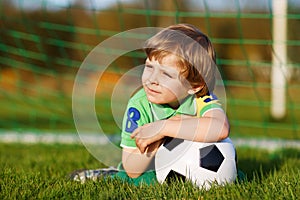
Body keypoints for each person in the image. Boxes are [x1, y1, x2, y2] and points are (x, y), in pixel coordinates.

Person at [70, 24, 231, 185]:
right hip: (146, 167)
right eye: (149, 67)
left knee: (233, 176)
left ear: (194, 86)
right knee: (140, 180)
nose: (151, 79)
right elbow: (132, 168)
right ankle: (109, 174)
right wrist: (157, 140)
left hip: (187, 164)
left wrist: (164, 127)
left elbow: (220, 128)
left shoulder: (201, 99)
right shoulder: (139, 105)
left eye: (166, 74)